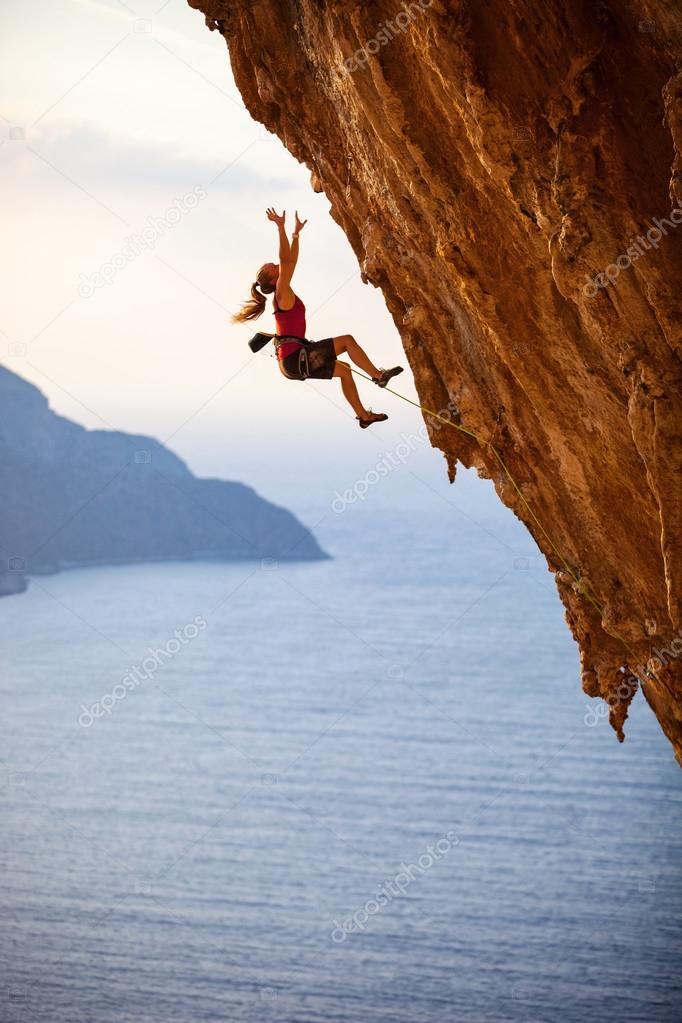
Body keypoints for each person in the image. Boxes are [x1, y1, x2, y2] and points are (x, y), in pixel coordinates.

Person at [231, 207, 403, 428]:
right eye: (273, 267)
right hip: (295, 358)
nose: (277, 265)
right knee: (347, 341)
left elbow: (289, 262)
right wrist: (281, 228)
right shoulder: (281, 292)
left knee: (345, 371)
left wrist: (295, 235)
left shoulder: (282, 291)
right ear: (274, 280)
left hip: (292, 362)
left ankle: (364, 416)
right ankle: (378, 376)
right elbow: (286, 261)